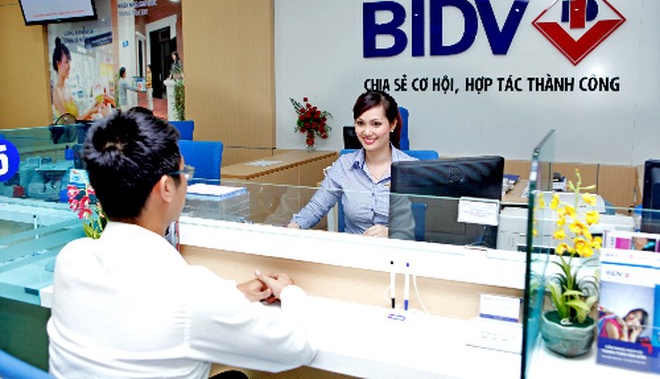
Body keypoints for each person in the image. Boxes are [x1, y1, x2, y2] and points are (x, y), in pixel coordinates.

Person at [47, 108, 316, 378]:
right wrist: (290, 294)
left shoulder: (71, 260)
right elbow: (299, 347)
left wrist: (231, 296)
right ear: (166, 188)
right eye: (183, 172)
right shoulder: (193, 291)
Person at [288, 90, 416, 237]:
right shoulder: (344, 164)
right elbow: (316, 207)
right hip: (354, 248)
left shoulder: (412, 169)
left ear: (392, 124)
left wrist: (393, 233)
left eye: (376, 124)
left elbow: (429, 226)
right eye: (360, 123)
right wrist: (293, 226)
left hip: (396, 249)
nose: (367, 132)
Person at [51, 37, 105, 121]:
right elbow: (68, 122)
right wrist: (89, 113)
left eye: (69, 62)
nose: (69, 67)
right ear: (58, 64)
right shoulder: (56, 92)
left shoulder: (68, 87)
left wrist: (89, 114)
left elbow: (76, 118)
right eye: (66, 62)